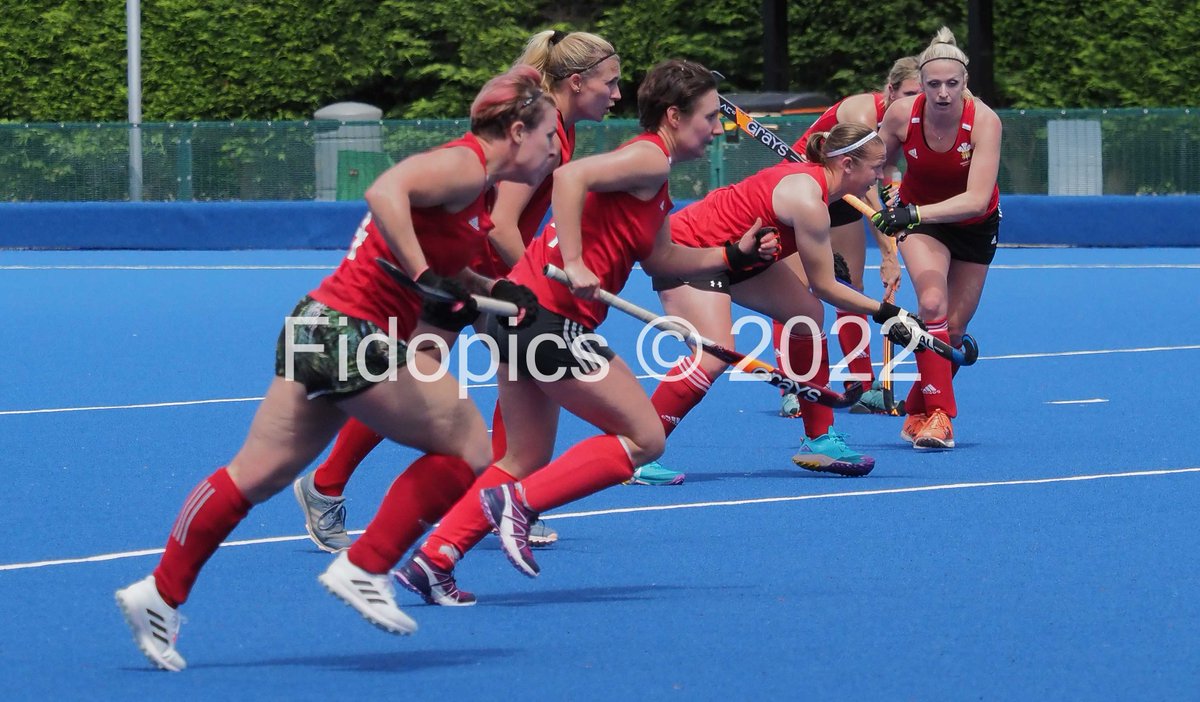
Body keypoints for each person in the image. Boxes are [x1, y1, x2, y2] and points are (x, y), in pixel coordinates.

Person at [113, 65, 557, 671]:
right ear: (515, 130)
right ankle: (366, 566)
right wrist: (428, 279)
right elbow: (384, 192)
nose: (556, 149)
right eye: (549, 137)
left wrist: (503, 293)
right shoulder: (467, 164)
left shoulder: (476, 190)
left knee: (257, 475)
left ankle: (158, 594)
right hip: (353, 329)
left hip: (319, 322)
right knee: (469, 446)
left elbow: (452, 275)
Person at [393, 59, 781, 605]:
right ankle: (520, 505)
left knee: (521, 457)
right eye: (710, 117)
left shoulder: (654, 175)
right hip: (548, 318)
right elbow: (570, 177)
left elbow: (663, 257)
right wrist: (573, 261)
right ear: (674, 116)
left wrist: (732, 255)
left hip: (518, 314)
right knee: (646, 438)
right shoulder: (647, 156)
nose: (718, 129)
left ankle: (436, 558)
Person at [290, 29, 621, 555]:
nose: (618, 93)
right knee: (421, 387)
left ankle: (499, 496)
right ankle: (329, 485)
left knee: (503, 381)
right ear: (577, 82)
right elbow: (503, 223)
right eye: (611, 81)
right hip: (467, 276)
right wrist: (527, 281)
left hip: (474, 275)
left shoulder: (561, 127)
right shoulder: (544, 127)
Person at [629, 122, 924, 487]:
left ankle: (818, 441)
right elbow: (826, 286)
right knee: (714, 354)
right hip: (692, 250)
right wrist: (887, 313)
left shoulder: (816, 190)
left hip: (741, 256)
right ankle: (634, 453)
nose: (879, 177)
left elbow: (818, 286)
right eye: (875, 168)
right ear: (847, 165)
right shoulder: (809, 200)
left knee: (807, 317)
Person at [871, 26, 1003, 449]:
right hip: (921, 223)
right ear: (921, 84)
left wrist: (911, 211)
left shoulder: (985, 121)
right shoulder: (900, 116)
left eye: (952, 83)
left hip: (972, 224)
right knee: (931, 304)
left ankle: (917, 410)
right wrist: (887, 198)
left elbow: (976, 199)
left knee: (955, 331)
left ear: (966, 82)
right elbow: (872, 165)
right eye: (933, 84)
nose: (943, 93)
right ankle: (942, 418)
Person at [770, 56, 921, 420]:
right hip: (804, 189)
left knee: (850, 287)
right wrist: (889, 255)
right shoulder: (861, 113)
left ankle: (862, 385)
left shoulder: (908, 121)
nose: (915, 102)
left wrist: (891, 246)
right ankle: (794, 384)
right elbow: (870, 193)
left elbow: (883, 181)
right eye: (909, 93)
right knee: (797, 290)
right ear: (890, 90)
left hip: (846, 195)